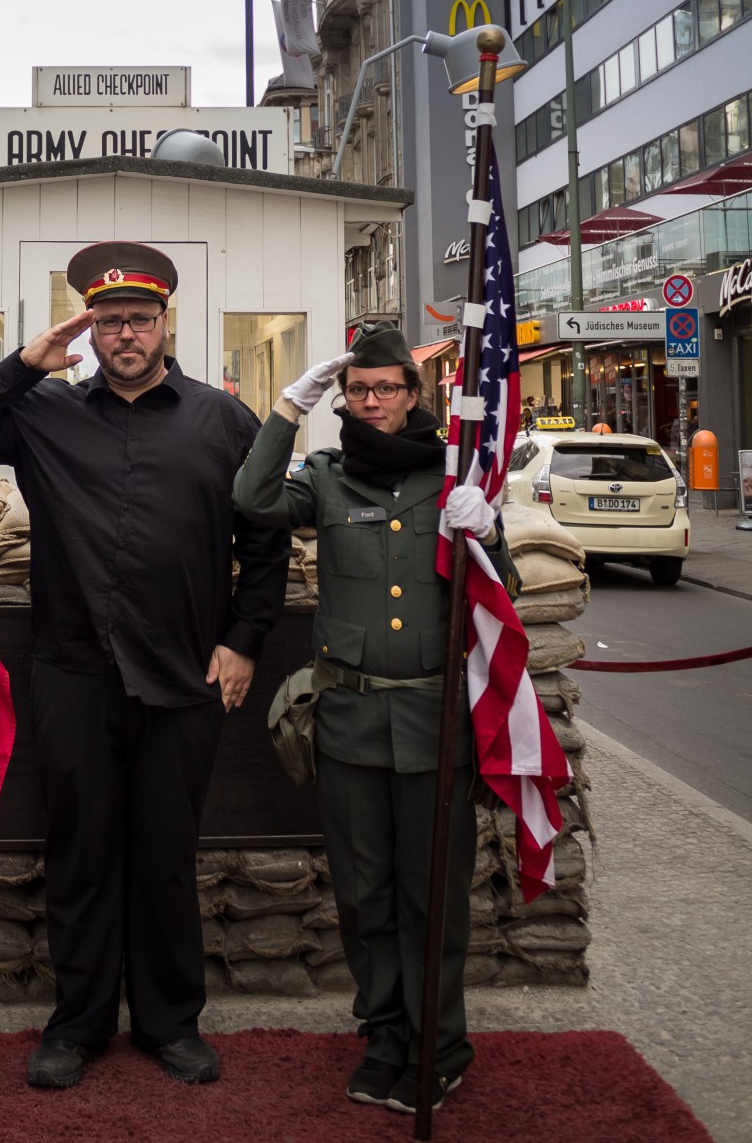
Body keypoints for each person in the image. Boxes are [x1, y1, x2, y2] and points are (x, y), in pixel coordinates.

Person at [0, 241, 289, 1091]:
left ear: (164, 324)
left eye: (138, 320)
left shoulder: (224, 421)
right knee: (80, 851)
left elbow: (265, 539)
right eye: (108, 321)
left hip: (185, 675)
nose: (124, 334)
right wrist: (24, 362)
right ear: (90, 329)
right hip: (74, 672)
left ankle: (167, 1024)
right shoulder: (45, 413)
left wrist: (245, 638)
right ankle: (77, 1025)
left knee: (163, 854)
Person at [233, 322, 521, 1116]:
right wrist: (290, 404)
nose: (370, 401)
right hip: (352, 720)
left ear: (413, 393)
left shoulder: (453, 478)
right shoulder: (326, 476)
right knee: (364, 896)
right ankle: (386, 1035)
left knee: (433, 896)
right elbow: (252, 499)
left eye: (385, 388)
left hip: (435, 722)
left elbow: (509, 596)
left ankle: (439, 1042)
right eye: (358, 390)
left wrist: (489, 530)